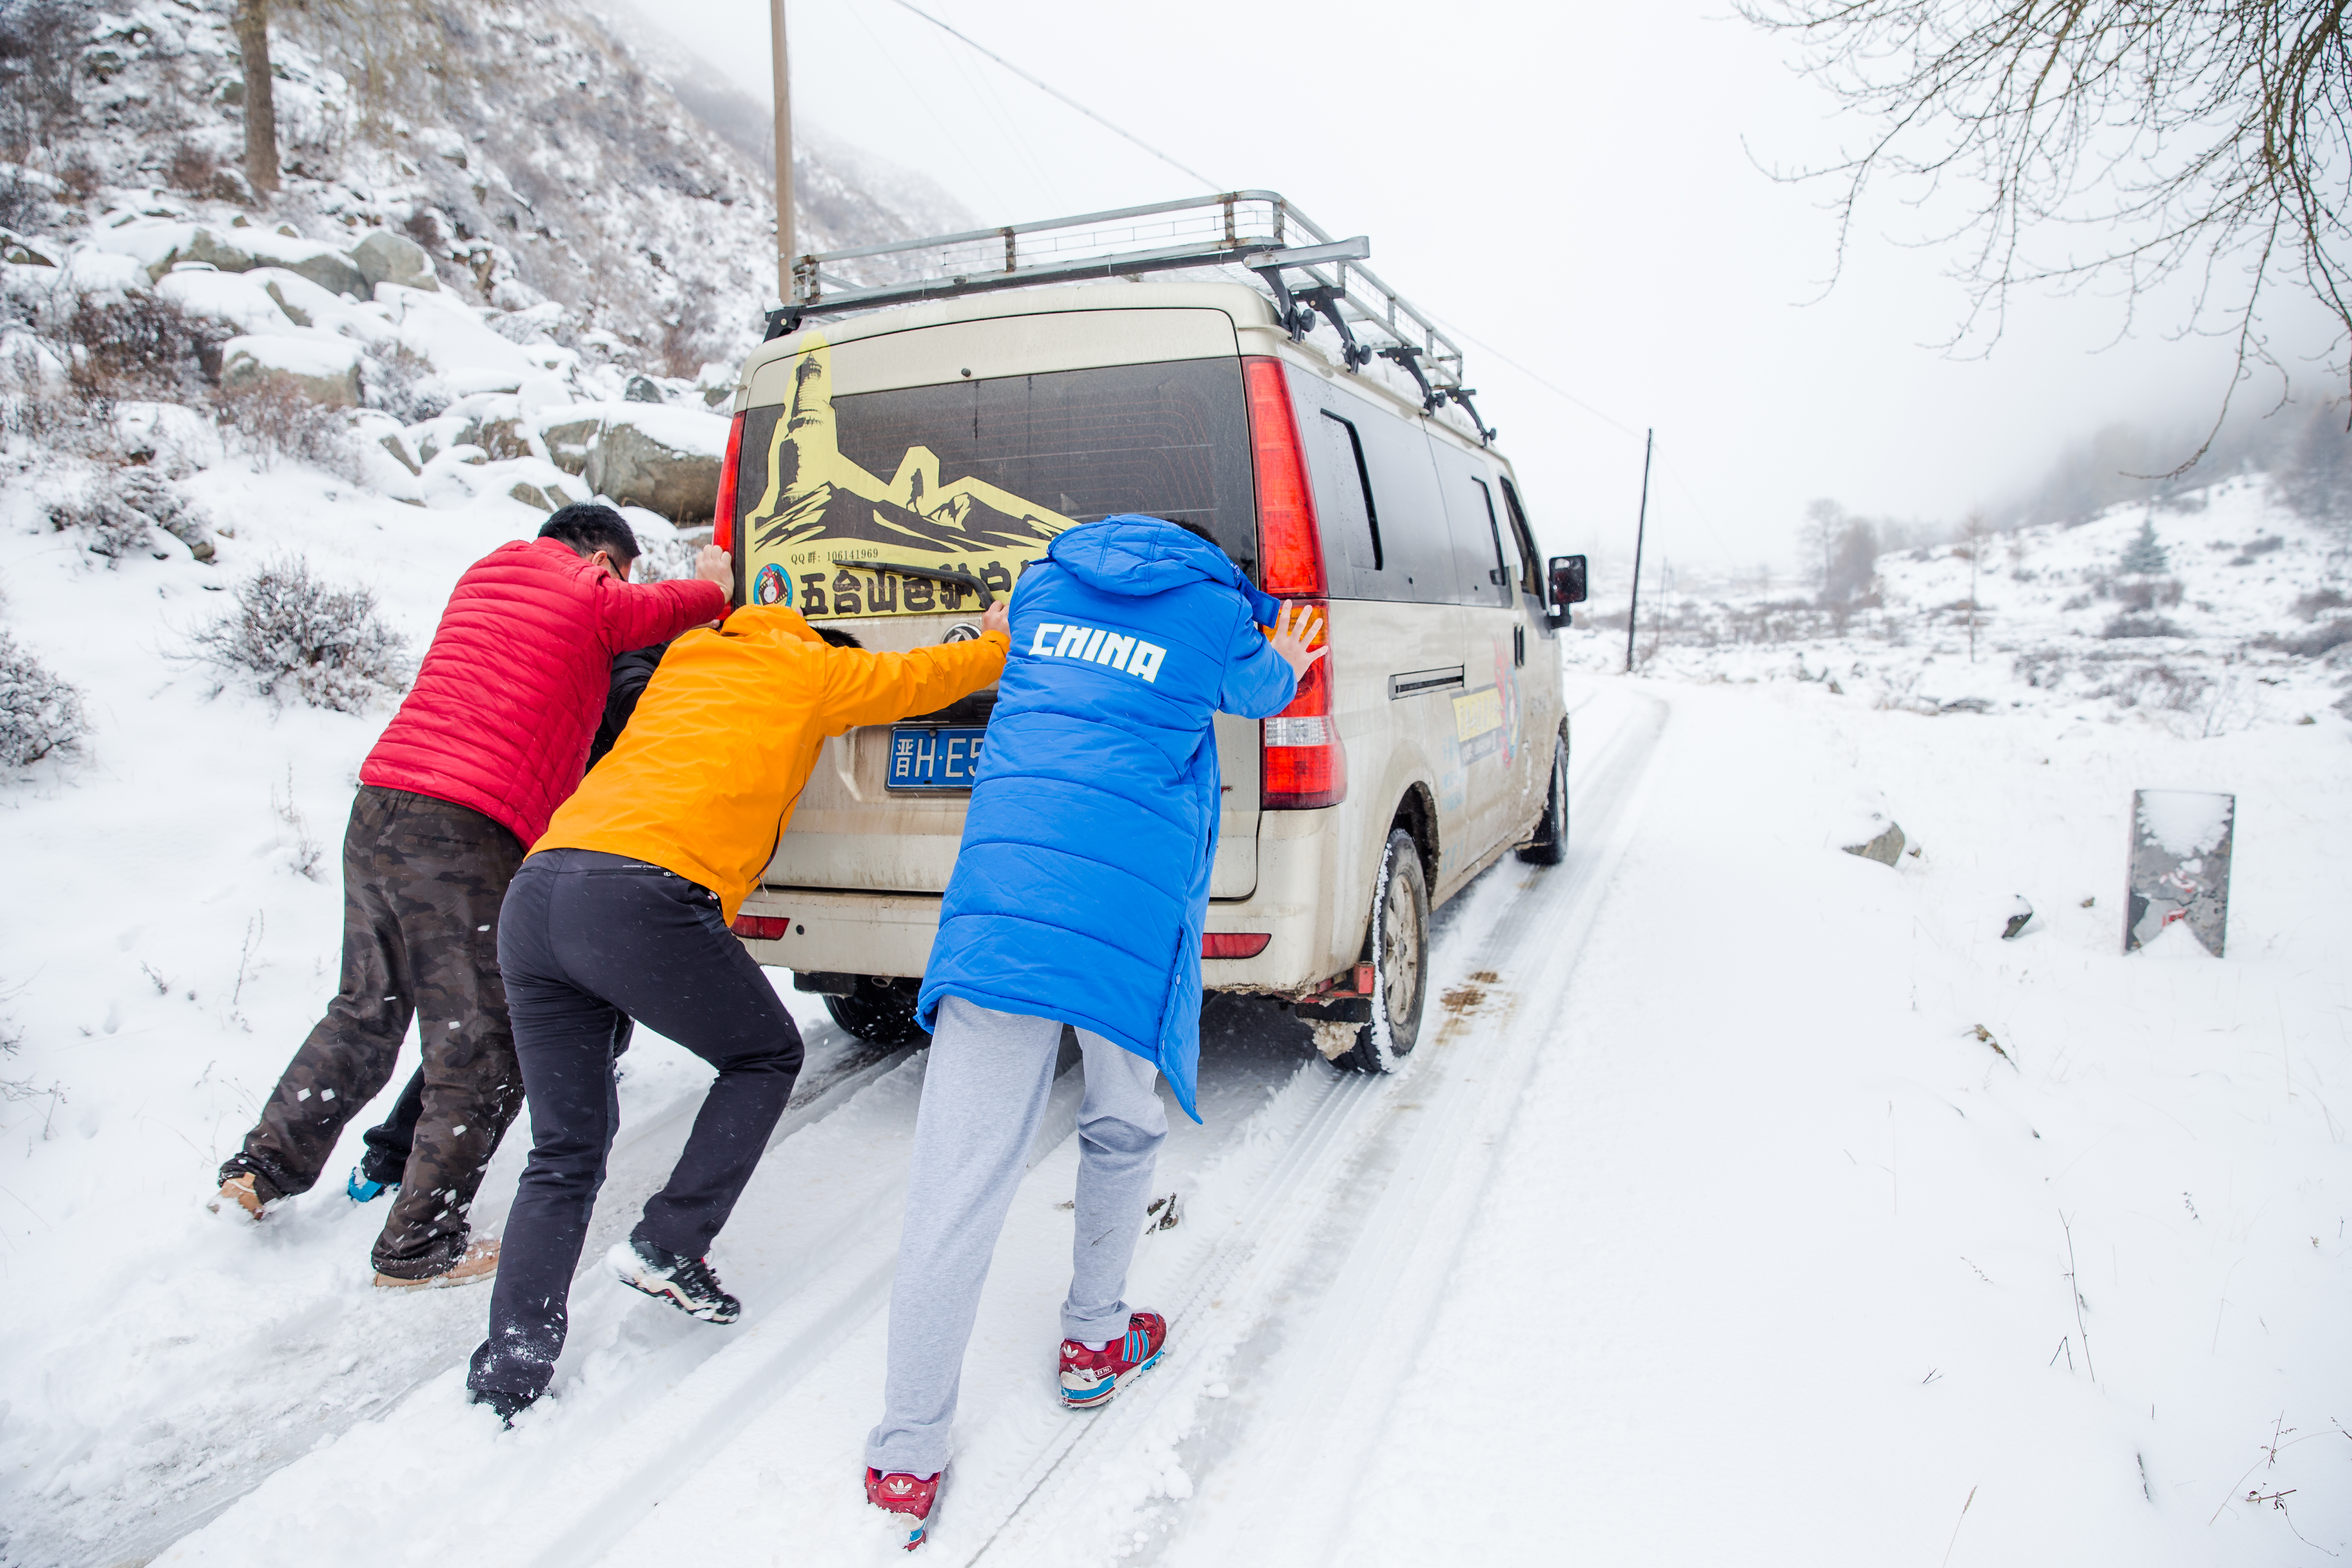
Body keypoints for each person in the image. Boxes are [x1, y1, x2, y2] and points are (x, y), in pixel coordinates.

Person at [862, 514, 1324, 1548]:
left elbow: (1013, 619)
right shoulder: (1211, 610)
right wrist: (1281, 648)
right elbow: (1265, 688)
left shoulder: (1039, 592)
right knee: (1121, 1120)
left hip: (1003, 904)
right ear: (1209, 556)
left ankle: (905, 1451)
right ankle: (1092, 1341)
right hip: (1126, 913)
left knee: (955, 1178)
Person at [464, 597, 1009, 1423]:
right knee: (763, 1056)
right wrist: (997, 634)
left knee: (564, 1150)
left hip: (539, 892)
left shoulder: (690, 660)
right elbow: (927, 676)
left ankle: (509, 1370)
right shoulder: (812, 666)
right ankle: (670, 1243)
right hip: (639, 892)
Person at [211, 506, 733, 1289]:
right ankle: (419, 1246)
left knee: (366, 1006)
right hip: (465, 827)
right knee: (484, 1043)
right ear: (601, 556)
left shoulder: (487, 573)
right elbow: (660, 611)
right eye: (618, 568)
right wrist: (712, 583)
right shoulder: (588, 590)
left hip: (382, 802)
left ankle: (260, 1170)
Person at [343, 633, 678, 1205]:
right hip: (570, 856)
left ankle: (397, 1154)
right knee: (514, 1020)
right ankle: (401, 1155)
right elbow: (632, 705)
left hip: (567, 855)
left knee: (550, 1016)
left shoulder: (593, 655)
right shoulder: (634, 660)